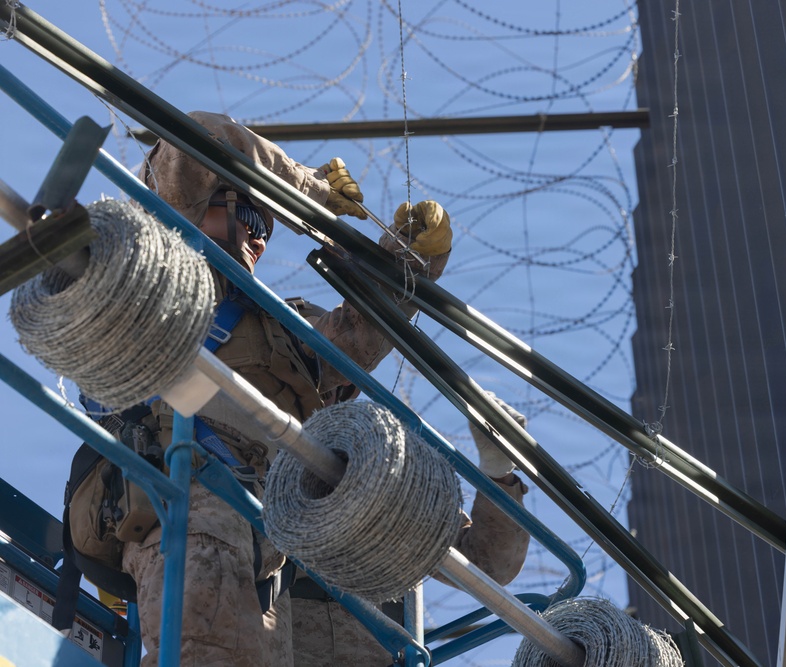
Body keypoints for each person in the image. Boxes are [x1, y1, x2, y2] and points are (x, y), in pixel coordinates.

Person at [115, 110, 529, 666]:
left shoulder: (285, 330)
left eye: (267, 229)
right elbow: (201, 140)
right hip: (192, 500)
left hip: (278, 533)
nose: (257, 240)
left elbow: (359, 338)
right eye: (245, 215)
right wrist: (304, 193)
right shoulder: (154, 279)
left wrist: (410, 264)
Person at [289, 394, 531, 667]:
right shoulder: (269, 468)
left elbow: (489, 565)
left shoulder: (386, 469)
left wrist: (497, 471)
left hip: (375, 650)